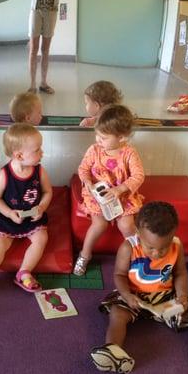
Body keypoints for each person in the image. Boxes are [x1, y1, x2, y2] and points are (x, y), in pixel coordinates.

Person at [90, 201, 188, 373]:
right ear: (137, 232)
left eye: (163, 248)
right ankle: (113, 350)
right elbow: (119, 275)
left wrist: (182, 296)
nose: (157, 253)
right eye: (150, 247)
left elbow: (181, 273)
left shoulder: (176, 245)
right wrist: (127, 295)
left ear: (173, 234)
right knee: (117, 313)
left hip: (166, 296)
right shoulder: (128, 247)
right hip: (134, 296)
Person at [0, 123, 53, 294]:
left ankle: (24, 272)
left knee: (41, 238)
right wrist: (9, 213)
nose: (42, 153)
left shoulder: (40, 171)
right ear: (19, 155)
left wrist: (41, 207)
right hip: (9, 220)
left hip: (33, 219)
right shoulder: (4, 175)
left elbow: (48, 192)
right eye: (37, 150)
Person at [73, 104, 144, 276]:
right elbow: (83, 169)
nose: (98, 140)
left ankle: (139, 256)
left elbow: (138, 176)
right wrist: (88, 183)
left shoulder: (129, 153)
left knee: (127, 225)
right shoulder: (94, 150)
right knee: (99, 224)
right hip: (98, 196)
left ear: (121, 136)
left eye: (103, 137)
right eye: (97, 134)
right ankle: (85, 255)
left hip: (122, 196)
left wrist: (120, 189)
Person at [28, 0, 59, 94]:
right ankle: (32, 85)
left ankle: (43, 83)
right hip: (36, 10)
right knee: (33, 50)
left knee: (45, 50)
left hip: (51, 11)